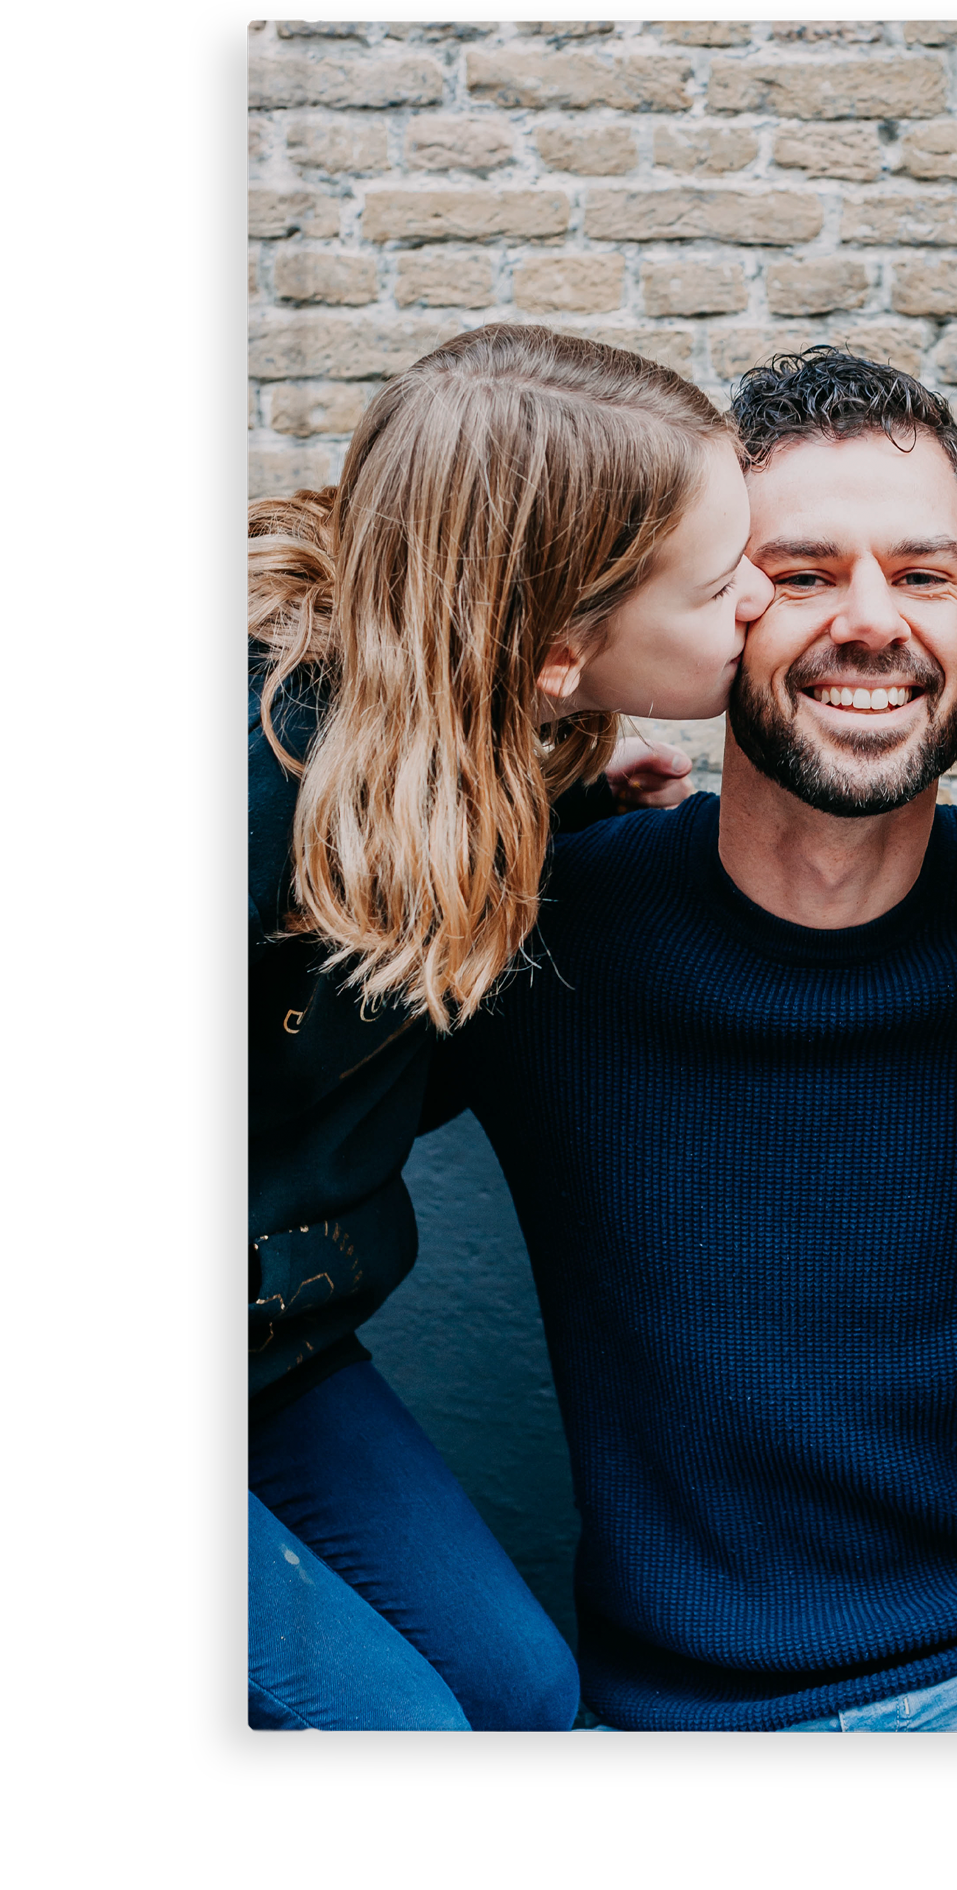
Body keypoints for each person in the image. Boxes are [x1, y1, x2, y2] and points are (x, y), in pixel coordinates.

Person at [430, 348, 957, 1733]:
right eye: (802, 573)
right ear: (713, 610)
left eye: (927, 573)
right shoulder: (538, 932)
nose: (874, 621)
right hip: (668, 1712)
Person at [246, 323, 772, 1730]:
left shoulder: (469, 757)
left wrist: (566, 823)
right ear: (553, 651)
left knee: (523, 1693)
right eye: (720, 581)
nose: (760, 599)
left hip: (281, 1347)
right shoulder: (266, 770)